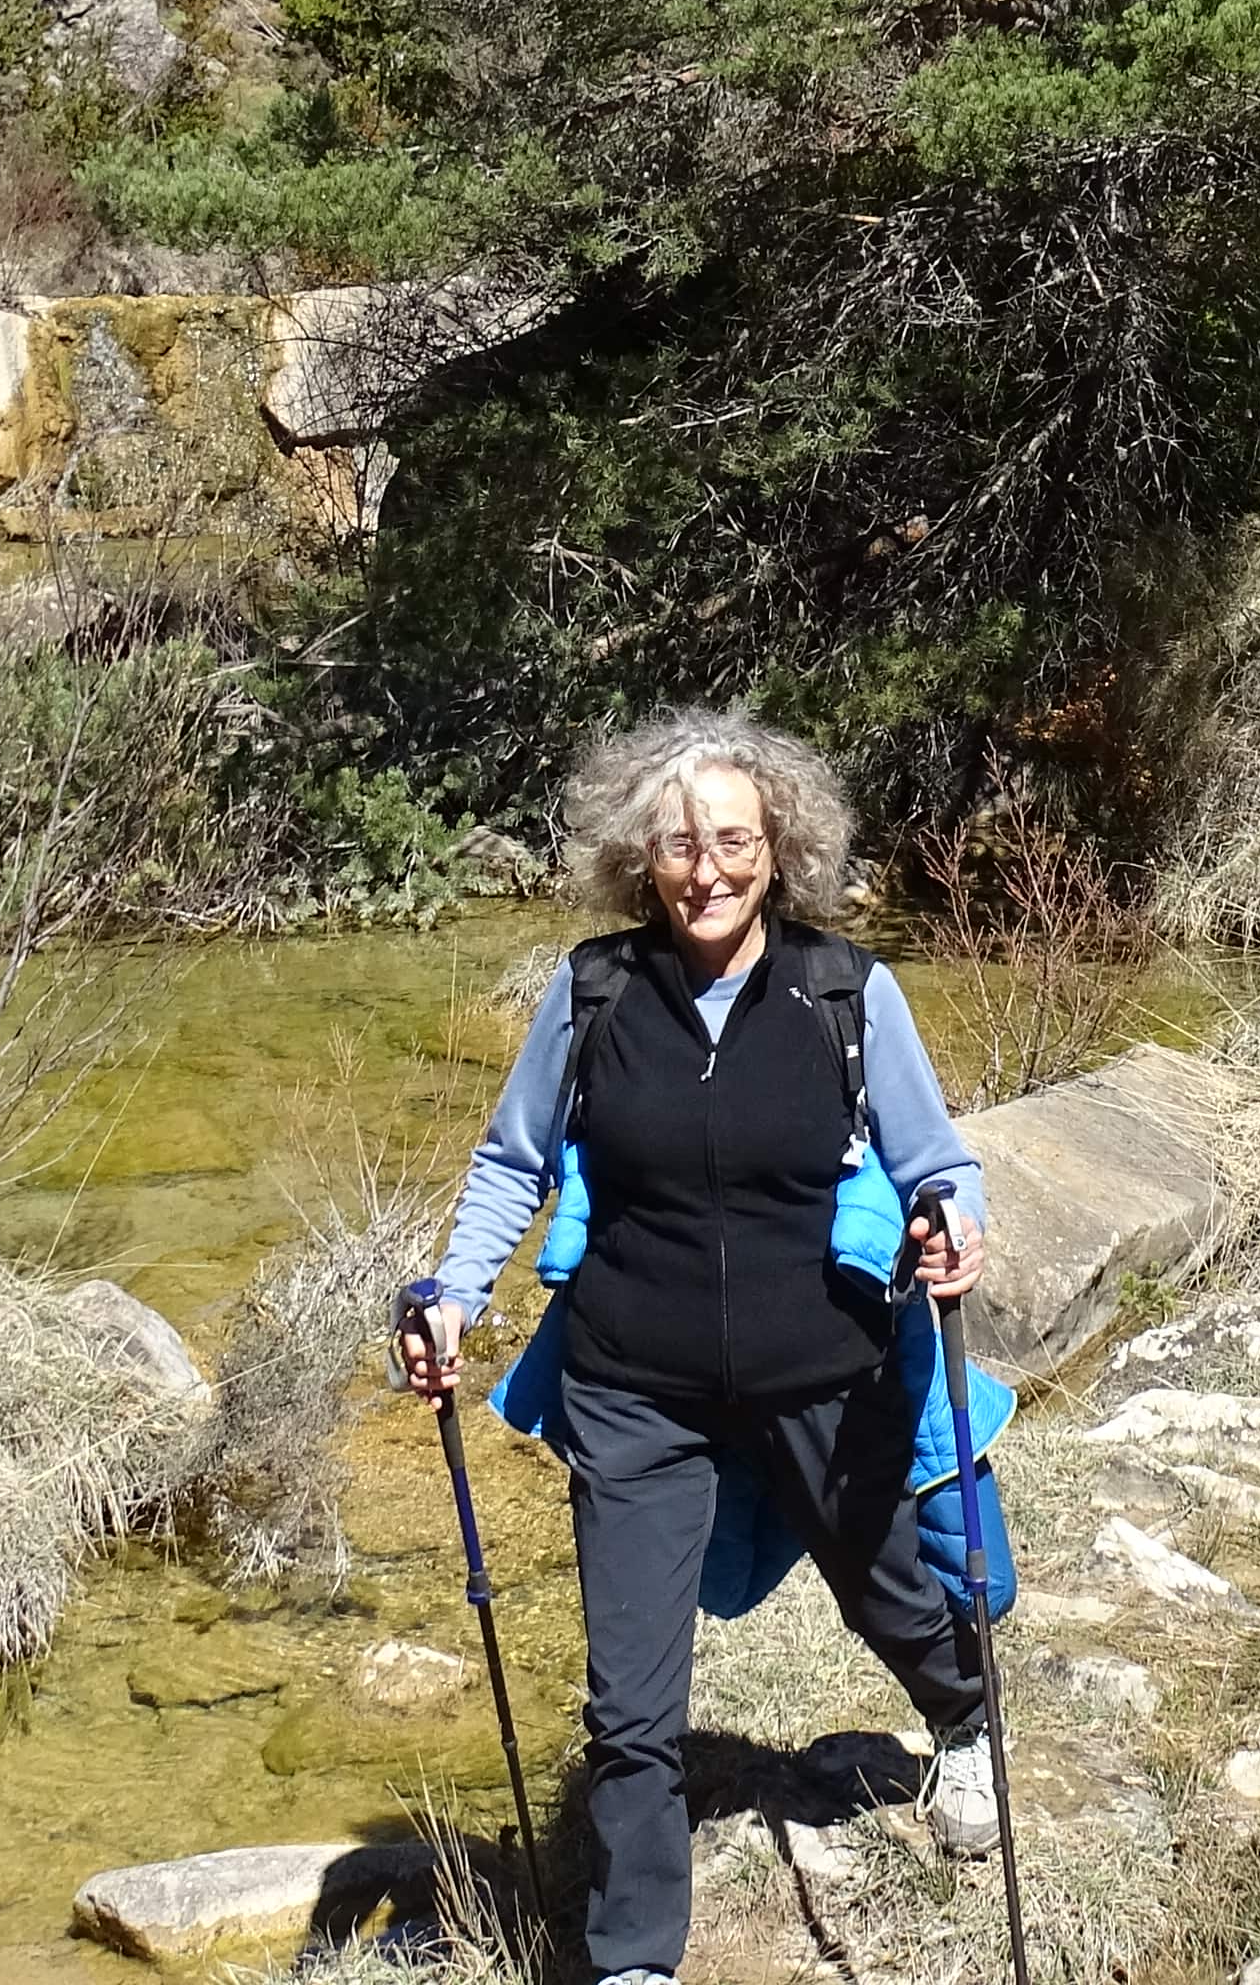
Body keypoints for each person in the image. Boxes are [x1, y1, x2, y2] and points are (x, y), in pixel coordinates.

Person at [397, 712, 1001, 1985]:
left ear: (778, 849)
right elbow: (512, 1162)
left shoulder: (847, 993)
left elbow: (935, 1163)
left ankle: (965, 1719)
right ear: (644, 859)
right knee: (629, 1703)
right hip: (634, 1386)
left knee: (887, 1590)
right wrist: (455, 1293)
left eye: (732, 840)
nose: (707, 869)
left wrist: (953, 1226)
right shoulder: (597, 992)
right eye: (680, 845)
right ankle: (635, 1960)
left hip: (824, 1371)